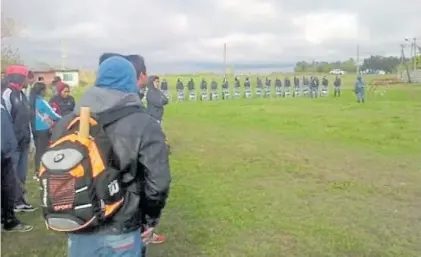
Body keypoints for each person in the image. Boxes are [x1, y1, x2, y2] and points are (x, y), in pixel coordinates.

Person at [50, 56, 171, 257]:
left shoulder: (67, 123)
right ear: (130, 82)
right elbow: (158, 182)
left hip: (79, 223)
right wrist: (150, 220)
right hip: (124, 225)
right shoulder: (144, 123)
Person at [2, 64, 36, 212]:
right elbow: (4, 119)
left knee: (21, 175)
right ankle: (10, 204)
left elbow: (26, 119)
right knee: (11, 175)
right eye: (24, 76)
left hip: (24, 141)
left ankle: (20, 201)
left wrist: (32, 139)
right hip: (12, 144)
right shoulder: (7, 94)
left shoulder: (22, 94)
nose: (26, 80)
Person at [1, 99, 33, 232]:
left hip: (6, 153)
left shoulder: (2, 102)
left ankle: (8, 220)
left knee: (8, 187)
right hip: (4, 151)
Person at [29, 82, 61, 179]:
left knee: (38, 150)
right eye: (45, 89)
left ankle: (37, 172)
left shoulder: (30, 101)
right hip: (43, 130)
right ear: (42, 91)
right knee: (43, 151)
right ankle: (41, 172)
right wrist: (64, 118)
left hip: (34, 129)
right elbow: (53, 115)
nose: (46, 91)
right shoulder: (42, 102)